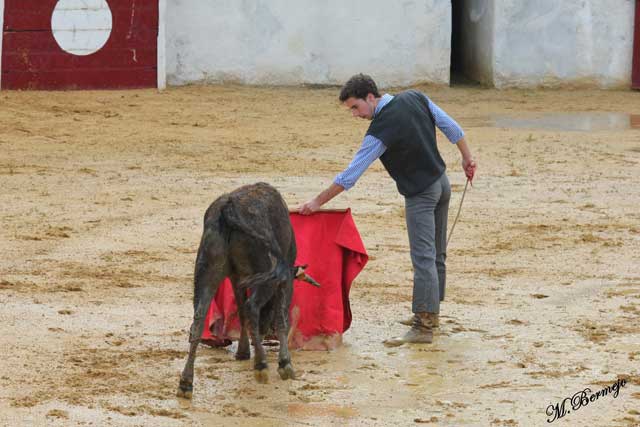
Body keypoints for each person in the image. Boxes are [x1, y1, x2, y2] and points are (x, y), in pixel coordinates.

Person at [298, 73, 477, 346]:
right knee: (436, 253)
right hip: (442, 184)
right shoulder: (414, 97)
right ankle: (432, 312)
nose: (356, 115)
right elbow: (451, 127)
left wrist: (316, 202)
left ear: (371, 97)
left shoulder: (381, 129)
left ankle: (424, 325)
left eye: (356, 107)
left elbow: (350, 175)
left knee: (424, 258)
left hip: (421, 193)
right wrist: (467, 157)